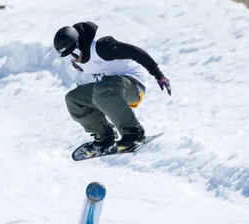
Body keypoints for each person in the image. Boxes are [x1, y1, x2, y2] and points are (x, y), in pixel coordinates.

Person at [53, 21, 171, 152]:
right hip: (108, 89)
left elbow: (135, 52)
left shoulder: (102, 47)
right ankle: (105, 135)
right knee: (73, 99)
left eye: (74, 53)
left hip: (133, 84)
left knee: (102, 90)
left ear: (79, 43)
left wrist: (158, 75)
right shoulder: (77, 61)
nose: (74, 58)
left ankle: (134, 133)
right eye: (68, 56)